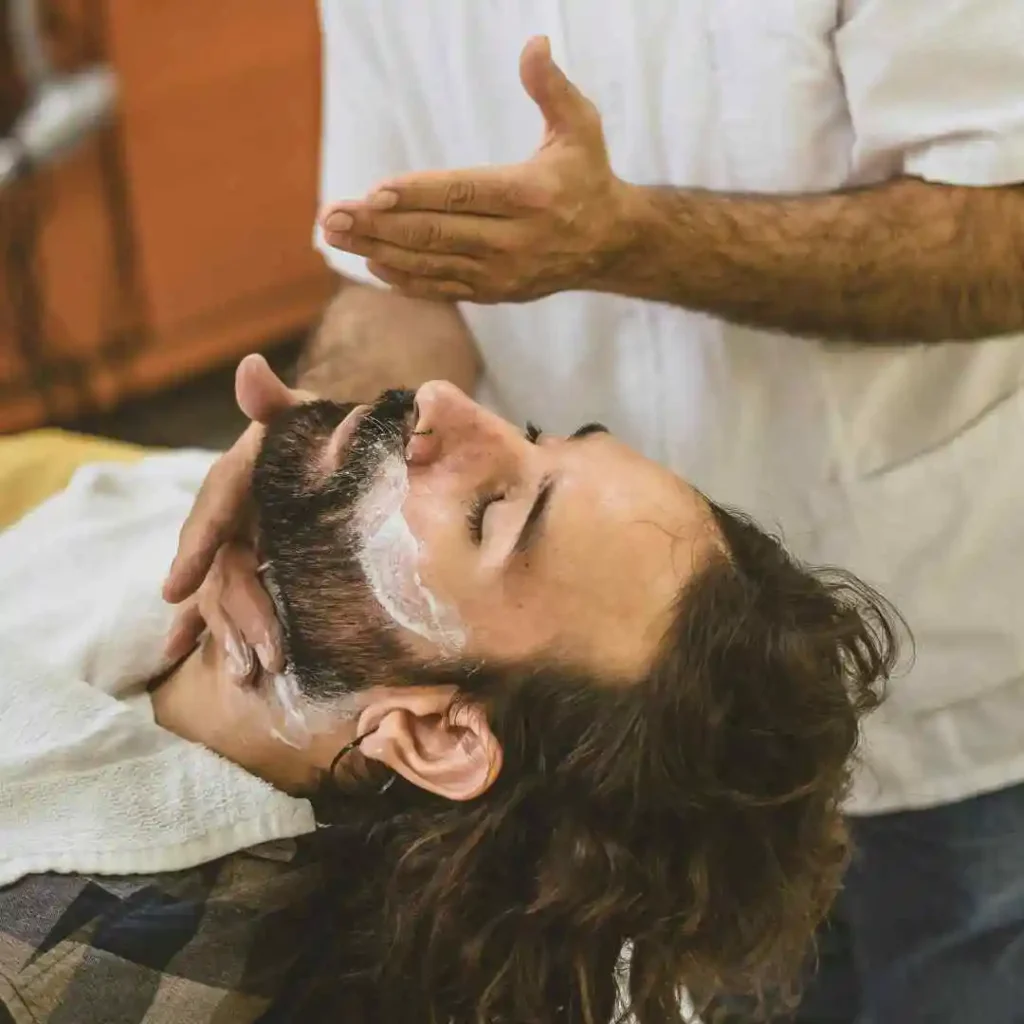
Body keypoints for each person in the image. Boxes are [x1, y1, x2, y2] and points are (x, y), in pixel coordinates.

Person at [164, 5, 1024, 1023]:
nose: (442, 412)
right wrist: (334, 455)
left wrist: (630, 242)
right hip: (584, 752)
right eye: (525, 451)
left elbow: (1005, 230)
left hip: (943, 616)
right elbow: (400, 280)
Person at [1, 354, 898, 1024]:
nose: (443, 401)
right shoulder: (195, 519)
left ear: (436, 738)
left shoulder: (63, 961)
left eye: (495, 510)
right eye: (540, 440)